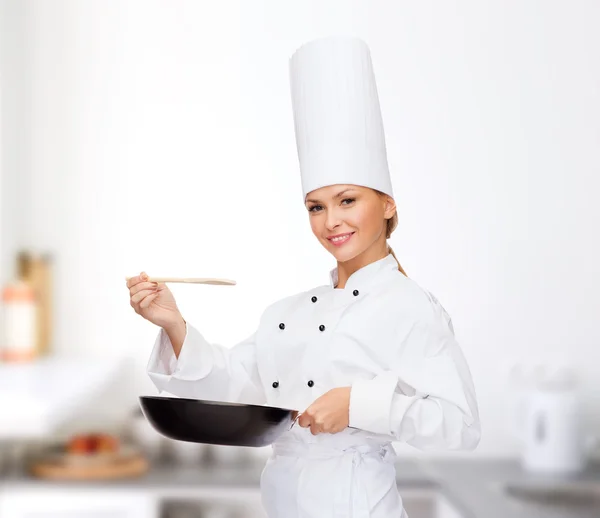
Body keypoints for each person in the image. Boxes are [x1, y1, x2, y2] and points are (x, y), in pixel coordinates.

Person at [127, 36, 480, 518]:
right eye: (317, 206)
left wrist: (359, 405)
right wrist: (173, 324)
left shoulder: (411, 307)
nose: (331, 220)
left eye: (348, 200)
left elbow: (460, 425)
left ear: (388, 204)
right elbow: (234, 383)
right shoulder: (286, 313)